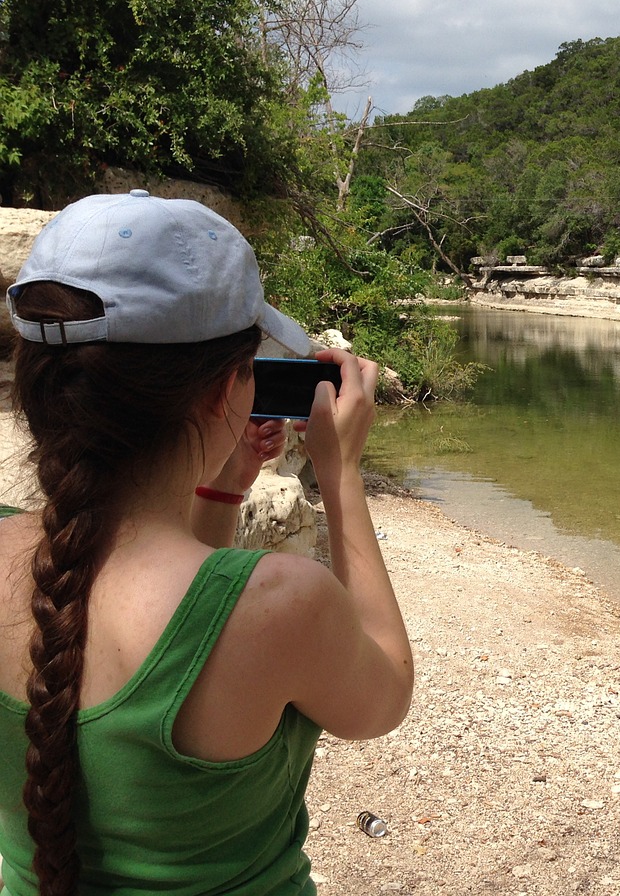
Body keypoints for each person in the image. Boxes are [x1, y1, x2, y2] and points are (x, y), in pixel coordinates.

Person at [0, 191, 414, 895]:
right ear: (225, 392)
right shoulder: (282, 601)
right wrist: (339, 475)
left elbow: (189, 594)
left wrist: (224, 490)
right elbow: (384, 697)